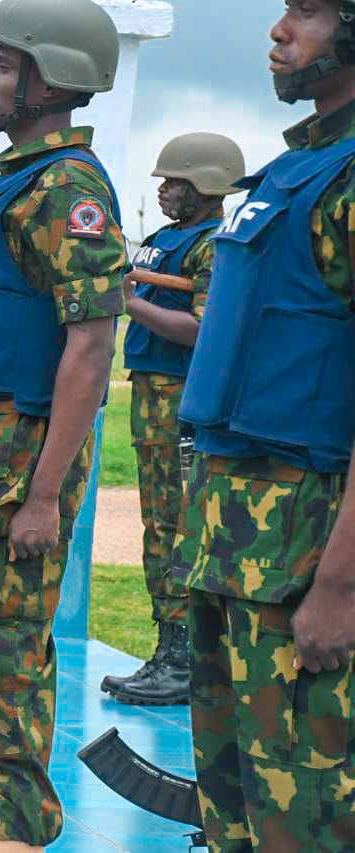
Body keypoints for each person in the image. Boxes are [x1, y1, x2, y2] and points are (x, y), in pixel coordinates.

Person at [0, 0, 127, 848]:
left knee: (5, 669)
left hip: (14, 473)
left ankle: (10, 835)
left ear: (53, 80)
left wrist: (44, 495)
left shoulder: (67, 189)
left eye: (5, 67)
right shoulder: (13, 182)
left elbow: (91, 343)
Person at [175, 1, 355, 848]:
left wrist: (340, 587)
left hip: (305, 551)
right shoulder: (291, 173)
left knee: (304, 812)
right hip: (231, 542)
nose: (280, 31)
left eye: (308, 11)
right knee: (234, 807)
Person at [99, 133, 245, 707]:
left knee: (179, 529)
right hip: (151, 401)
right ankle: (170, 648)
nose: (163, 190)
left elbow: (204, 328)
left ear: (207, 185)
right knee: (158, 526)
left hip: (180, 404)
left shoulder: (214, 246)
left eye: (175, 182)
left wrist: (131, 304)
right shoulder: (163, 241)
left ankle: (185, 658)